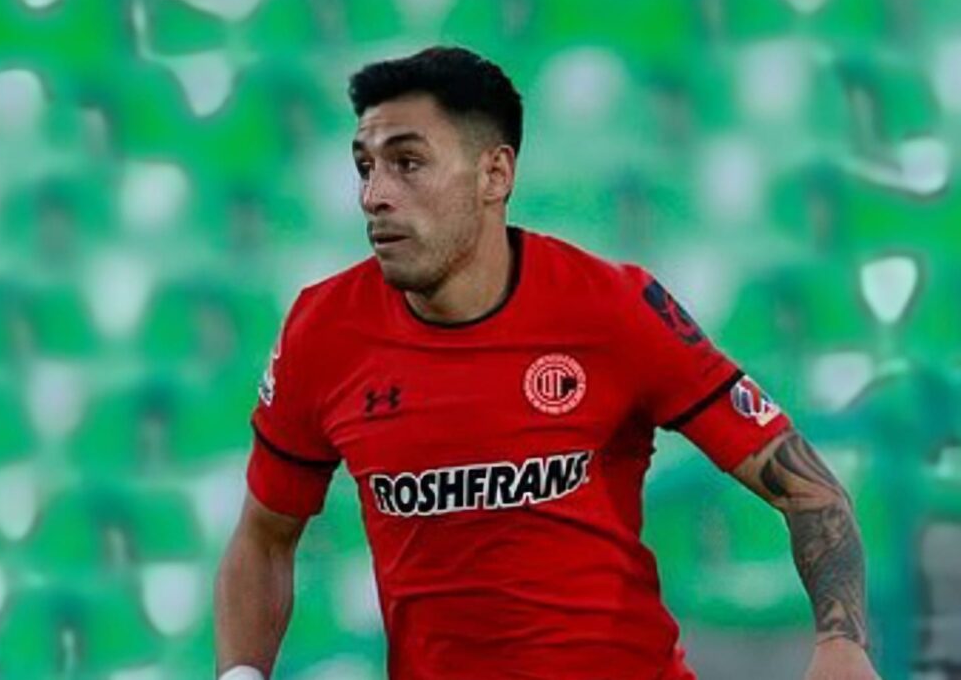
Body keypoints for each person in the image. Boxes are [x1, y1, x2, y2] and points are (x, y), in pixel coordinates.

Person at [214, 46, 880, 680]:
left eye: (408, 163)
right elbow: (264, 535)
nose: (374, 195)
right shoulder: (323, 329)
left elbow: (808, 488)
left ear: (494, 174)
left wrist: (841, 643)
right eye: (365, 166)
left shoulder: (613, 308)